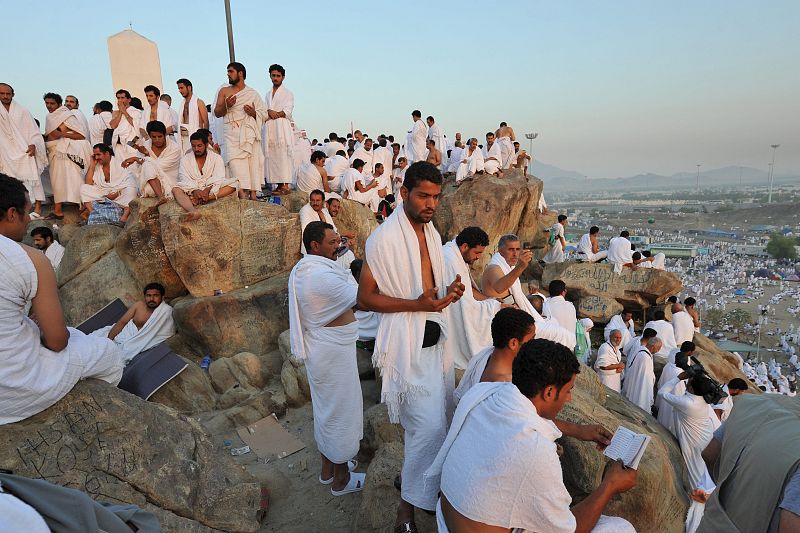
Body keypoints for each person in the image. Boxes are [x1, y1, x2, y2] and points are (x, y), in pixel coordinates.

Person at [427, 338, 636, 533]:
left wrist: (579, 430)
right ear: (548, 393)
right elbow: (571, 529)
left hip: (449, 519)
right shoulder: (536, 449)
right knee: (620, 527)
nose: (570, 398)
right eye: (568, 390)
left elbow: (523, 417)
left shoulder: (488, 393)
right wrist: (610, 485)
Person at [356, 161, 465, 531]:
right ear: (404, 193)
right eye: (423, 195)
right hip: (405, 349)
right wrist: (418, 304)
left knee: (442, 420)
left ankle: (422, 486)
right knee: (429, 429)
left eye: (436, 196)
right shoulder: (383, 239)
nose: (430, 203)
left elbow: (430, 288)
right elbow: (367, 298)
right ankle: (406, 510)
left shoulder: (432, 234)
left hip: (436, 343)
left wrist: (448, 293)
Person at [0, 174, 123, 425]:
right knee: (109, 353)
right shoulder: (31, 258)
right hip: (13, 392)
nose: (27, 224)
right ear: (12, 214)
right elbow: (57, 342)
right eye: (26, 213)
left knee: (77, 335)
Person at [288, 221, 365, 496]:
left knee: (325, 410)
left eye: (337, 241)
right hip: (331, 353)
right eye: (332, 243)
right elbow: (362, 298)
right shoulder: (318, 276)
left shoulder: (308, 268)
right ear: (314, 246)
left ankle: (328, 469)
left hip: (328, 350)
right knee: (340, 411)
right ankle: (341, 480)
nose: (338, 247)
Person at [698, 394, 800, 533]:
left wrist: (730, 495)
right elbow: (790, 525)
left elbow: (710, 454)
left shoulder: (753, 402)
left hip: (710, 523)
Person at [483, 234, 576, 349]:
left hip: (517, 317)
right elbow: (499, 287)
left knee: (554, 323)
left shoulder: (508, 268)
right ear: (500, 250)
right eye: (511, 249)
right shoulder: (494, 268)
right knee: (563, 335)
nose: (515, 254)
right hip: (507, 322)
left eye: (517, 249)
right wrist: (520, 267)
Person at [442, 227, 501, 370]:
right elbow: (463, 304)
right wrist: (494, 307)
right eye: (477, 252)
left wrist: (491, 301)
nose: (478, 257)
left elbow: (470, 291)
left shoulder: (457, 255)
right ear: (464, 247)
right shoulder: (450, 260)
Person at [657, 368, 718, 499]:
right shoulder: (702, 399)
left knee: (695, 475)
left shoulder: (688, 403)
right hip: (705, 438)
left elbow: (662, 392)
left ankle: (697, 504)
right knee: (703, 472)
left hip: (695, 442)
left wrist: (678, 377)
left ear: (691, 387)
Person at [214, 62, 267, 201]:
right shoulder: (224, 91)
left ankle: (254, 194)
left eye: (231, 71)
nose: (228, 74)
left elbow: (264, 114)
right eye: (227, 72)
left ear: (240, 73)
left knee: (252, 162)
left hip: (249, 133)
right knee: (235, 162)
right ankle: (242, 193)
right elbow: (217, 112)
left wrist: (254, 113)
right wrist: (227, 105)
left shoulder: (253, 94)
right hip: (232, 134)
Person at [90, 283, 176, 364]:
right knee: (93, 347)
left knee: (106, 360)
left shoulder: (166, 311)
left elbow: (167, 332)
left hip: (134, 345)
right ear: (145, 297)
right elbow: (122, 322)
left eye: (155, 296)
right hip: (121, 335)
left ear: (162, 297)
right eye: (148, 296)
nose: (151, 299)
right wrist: (108, 341)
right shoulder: (139, 305)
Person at [0, 84, 47, 219]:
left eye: (8, 94)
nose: (5, 96)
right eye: (2, 94)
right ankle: (16, 211)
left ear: (13, 94)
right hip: (5, 152)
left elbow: (34, 131)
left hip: (24, 150)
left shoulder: (22, 111)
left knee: (33, 178)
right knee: (9, 182)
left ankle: (37, 208)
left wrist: (34, 144)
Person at [43, 92, 91, 219]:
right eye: (47, 103)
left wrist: (62, 135)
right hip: (54, 151)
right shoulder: (49, 116)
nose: (49, 106)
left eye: (52, 103)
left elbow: (81, 135)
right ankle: (57, 210)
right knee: (56, 180)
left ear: (59, 104)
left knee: (75, 178)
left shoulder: (67, 115)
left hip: (68, 151)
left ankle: (83, 205)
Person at [172, 132, 236, 221]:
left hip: (210, 189)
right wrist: (195, 190)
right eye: (193, 146)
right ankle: (193, 211)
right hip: (193, 188)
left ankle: (203, 199)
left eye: (199, 146)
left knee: (235, 184)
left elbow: (219, 177)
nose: (196, 149)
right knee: (176, 189)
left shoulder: (216, 158)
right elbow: (184, 178)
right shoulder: (185, 159)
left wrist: (207, 190)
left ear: (206, 145)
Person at [80, 143, 137, 223]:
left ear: (107, 153)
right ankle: (92, 212)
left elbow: (129, 179)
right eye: (95, 155)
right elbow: (88, 183)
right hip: (104, 192)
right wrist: (92, 165)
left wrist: (117, 192)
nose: (96, 157)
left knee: (132, 188)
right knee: (84, 189)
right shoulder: (96, 166)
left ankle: (124, 216)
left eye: (98, 155)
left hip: (119, 193)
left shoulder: (119, 164)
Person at [263, 64, 294, 196]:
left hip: (281, 126)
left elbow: (288, 109)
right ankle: (278, 184)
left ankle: (285, 185)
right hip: (271, 127)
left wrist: (276, 114)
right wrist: (269, 112)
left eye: (278, 76)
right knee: (273, 155)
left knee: (283, 154)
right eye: (273, 75)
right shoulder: (268, 94)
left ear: (283, 77)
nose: (275, 78)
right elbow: (264, 110)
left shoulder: (288, 93)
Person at [131, 120, 181, 202]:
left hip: (169, 183)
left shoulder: (175, 148)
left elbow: (159, 167)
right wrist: (143, 157)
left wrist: (144, 156)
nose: (157, 140)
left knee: (147, 165)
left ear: (165, 135)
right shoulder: (145, 145)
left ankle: (161, 196)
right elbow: (139, 167)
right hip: (151, 183)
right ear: (150, 136)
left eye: (160, 136)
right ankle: (161, 197)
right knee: (147, 188)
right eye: (154, 137)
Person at [656, 342, 697, 435]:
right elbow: (680, 392)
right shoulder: (680, 373)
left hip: (665, 398)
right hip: (672, 402)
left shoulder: (668, 366)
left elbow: (660, 383)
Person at [622, 336, 660, 413]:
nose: (658, 350)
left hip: (634, 385)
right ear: (653, 347)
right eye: (658, 348)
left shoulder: (640, 350)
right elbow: (646, 380)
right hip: (640, 391)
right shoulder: (645, 357)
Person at [109, 89, 142, 165]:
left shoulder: (136, 112)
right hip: (119, 146)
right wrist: (121, 112)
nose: (120, 100)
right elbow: (113, 125)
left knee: (134, 168)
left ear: (129, 99)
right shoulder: (115, 113)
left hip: (131, 144)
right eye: (118, 98)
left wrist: (125, 112)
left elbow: (136, 126)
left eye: (122, 98)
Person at [175, 78, 209, 154]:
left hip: (196, 137)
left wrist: (204, 139)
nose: (180, 91)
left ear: (189, 88)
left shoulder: (199, 102)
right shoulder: (182, 104)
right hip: (183, 139)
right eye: (179, 89)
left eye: (181, 88)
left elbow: (206, 122)